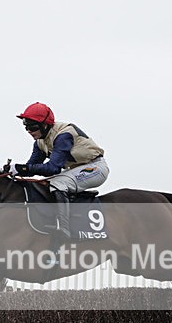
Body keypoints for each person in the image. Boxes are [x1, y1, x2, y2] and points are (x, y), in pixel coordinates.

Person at [10, 102, 109, 257]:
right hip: (77, 169)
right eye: (26, 126)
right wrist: (12, 172)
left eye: (33, 127)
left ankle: (64, 231)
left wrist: (23, 168)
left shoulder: (63, 135)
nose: (29, 131)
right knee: (46, 183)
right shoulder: (40, 142)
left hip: (96, 168)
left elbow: (53, 168)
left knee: (58, 182)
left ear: (45, 125)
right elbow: (31, 167)